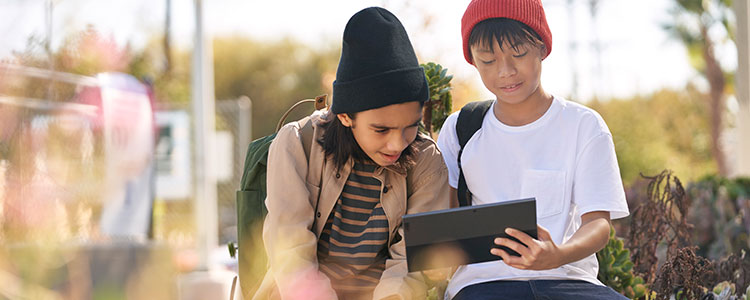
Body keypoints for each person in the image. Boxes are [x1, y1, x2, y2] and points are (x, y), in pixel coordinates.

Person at [435, 0, 630, 299]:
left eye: (519, 54)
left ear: (542, 48)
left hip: (568, 280)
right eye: (488, 60)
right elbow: (443, 218)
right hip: (481, 285)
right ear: (473, 61)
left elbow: (598, 223)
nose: (505, 71)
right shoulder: (461, 128)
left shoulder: (583, 125)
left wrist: (558, 254)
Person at [253, 7, 451, 300]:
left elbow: (412, 265)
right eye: (381, 130)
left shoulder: (426, 161)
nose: (398, 145)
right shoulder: (297, 144)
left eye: (410, 127)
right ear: (345, 116)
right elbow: (290, 253)